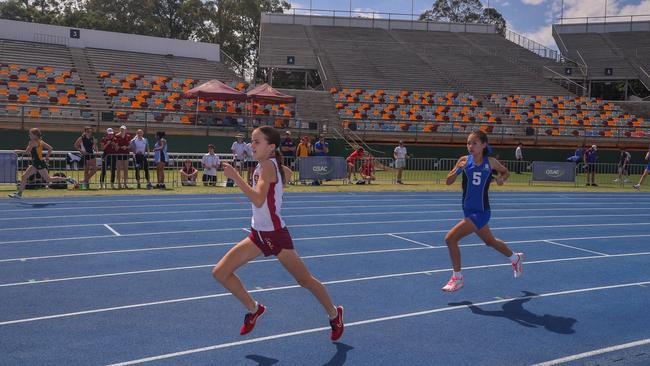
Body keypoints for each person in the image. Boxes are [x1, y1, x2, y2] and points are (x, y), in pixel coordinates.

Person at [213, 126, 344, 340]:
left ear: (271, 147)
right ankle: (254, 309)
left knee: (305, 280)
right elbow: (287, 174)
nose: (251, 145)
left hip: (275, 235)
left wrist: (235, 176)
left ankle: (334, 314)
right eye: (251, 141)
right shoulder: (267, 165)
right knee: (220, 272)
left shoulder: (266, 166)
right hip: (258, 234)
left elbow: (258, 199)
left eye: (257, 142)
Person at [441, 130, 524, 292]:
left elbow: (506, 172)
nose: (470, 146)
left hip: (481, 211)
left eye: (474, 143)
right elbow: (448, 182)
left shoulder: (490, 162)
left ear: (484, 145)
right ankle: (515, 258)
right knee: (490, 241)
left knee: (450, 239)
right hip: (468, 210)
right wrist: (458, 170)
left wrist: (501, 179)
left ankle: (457, 278)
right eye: (468, 143)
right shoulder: (464, 160)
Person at [9, 128, 76, 198]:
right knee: (24, 177)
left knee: (48, 179)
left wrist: (16, 151)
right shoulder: (40, 141)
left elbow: (27, 151)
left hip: (39, 163)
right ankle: (19, 194)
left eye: (30, 134)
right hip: (36, 163)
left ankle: (67, 179)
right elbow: (50, 148)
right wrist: (47, 157)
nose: (29, 135)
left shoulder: (32, 142)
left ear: (35, 135)